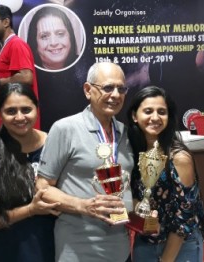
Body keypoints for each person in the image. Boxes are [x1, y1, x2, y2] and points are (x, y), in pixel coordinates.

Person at [36, 62, 134, 262]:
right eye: (107, 87)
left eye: (121, 88)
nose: (116, 94)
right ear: (88, 90)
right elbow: (42, 188)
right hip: (78, 247)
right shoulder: (65, 129)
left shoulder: (126, 133)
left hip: (120, 245)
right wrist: (82, 206)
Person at [0, 83, 59, 262]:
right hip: (1, 253)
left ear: (37, 109)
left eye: (26, 109)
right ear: (0, 112)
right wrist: (30, 210)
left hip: (50, 251)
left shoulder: (55, 146)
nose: (20, 117)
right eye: (11, 111)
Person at [127, 86, 204, 262]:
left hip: (180, 245)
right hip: (146, 241)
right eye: (148, 111)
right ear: (135, 116)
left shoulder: (179, 158)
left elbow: (184, 217)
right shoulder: (132, 152)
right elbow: (134, 196)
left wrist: (166, 260)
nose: (155, 117)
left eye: (162, 112)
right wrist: (140, 213)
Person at [0, 4, 40, 129]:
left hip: (19, 123)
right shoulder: (6, 46)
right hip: (11, 119)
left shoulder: (16, 44)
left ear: (6, 22)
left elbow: (26, 78)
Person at [27, 6, 78, 71]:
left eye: (60, 34)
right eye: (44, 36)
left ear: (70, 37)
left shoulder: (86, 67)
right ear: (34, 42)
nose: (53, 43)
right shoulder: (26, 72)